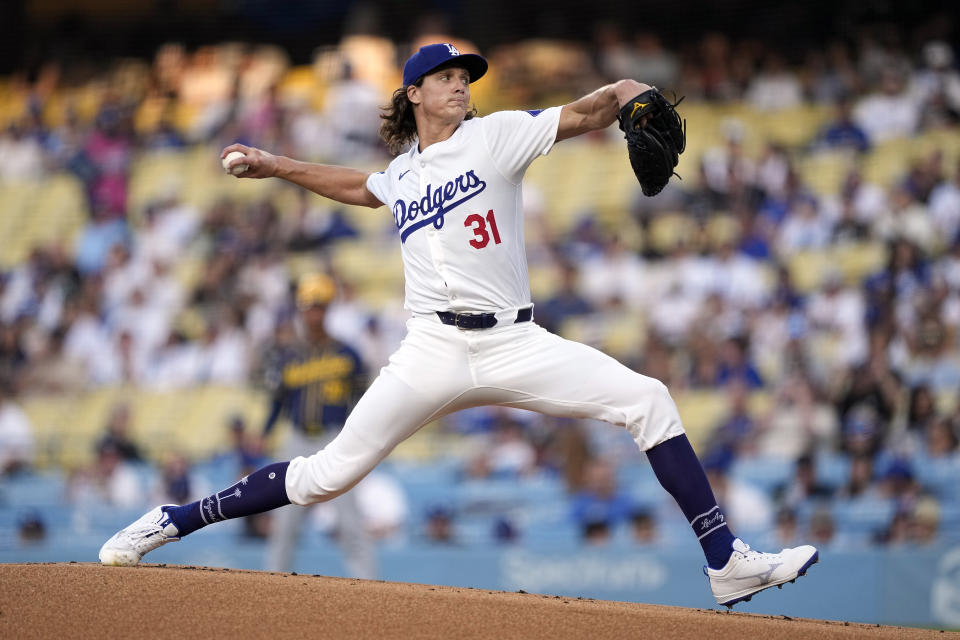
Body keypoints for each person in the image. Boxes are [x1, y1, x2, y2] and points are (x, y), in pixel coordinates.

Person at [99, 43, 818, 607]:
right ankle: (172, 519)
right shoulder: (402, 172)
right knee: (324, 477)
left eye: (464, 75)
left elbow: (588, 111)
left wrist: (629, 94)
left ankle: (726, 562)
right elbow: (361, 186)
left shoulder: (497, 136)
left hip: (514, 340)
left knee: (649, 398)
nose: (460, 83)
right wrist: (277, 164)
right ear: (414, 93)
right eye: (444, 76)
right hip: (433, 348)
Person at [258, 272, 375, 578]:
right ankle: (274, 580)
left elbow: (366, 400)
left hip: (334, 438)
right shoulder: (289, 355)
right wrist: (264, 432)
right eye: (309, 307)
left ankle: (366, 583)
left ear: (328, 309)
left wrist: (358, 438)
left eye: (319, 306)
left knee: (349, 518)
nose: (314, 314)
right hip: (296, 439)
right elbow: (278, 402)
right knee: (285, 520)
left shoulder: (348, 354)